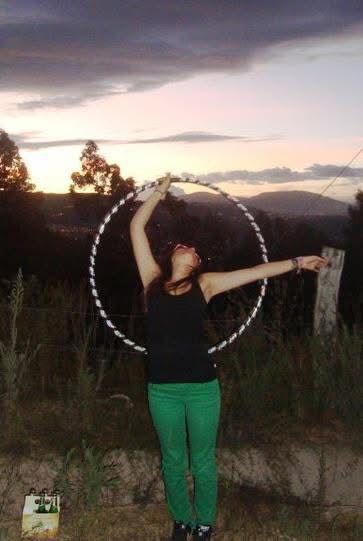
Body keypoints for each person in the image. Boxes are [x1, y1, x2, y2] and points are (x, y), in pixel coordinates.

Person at [129, 173, 330, 541]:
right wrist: (159, 192)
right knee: (173, 461)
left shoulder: (205, 284)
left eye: (191, 247)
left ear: (196, 261)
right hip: (163, 391)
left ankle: (204, 523)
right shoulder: (151, 282)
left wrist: (298, 262)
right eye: (181, 244)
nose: (185, 245)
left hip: (203, 389)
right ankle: (181, 520)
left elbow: (255, 272)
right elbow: (136, 226)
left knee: (202, 463)